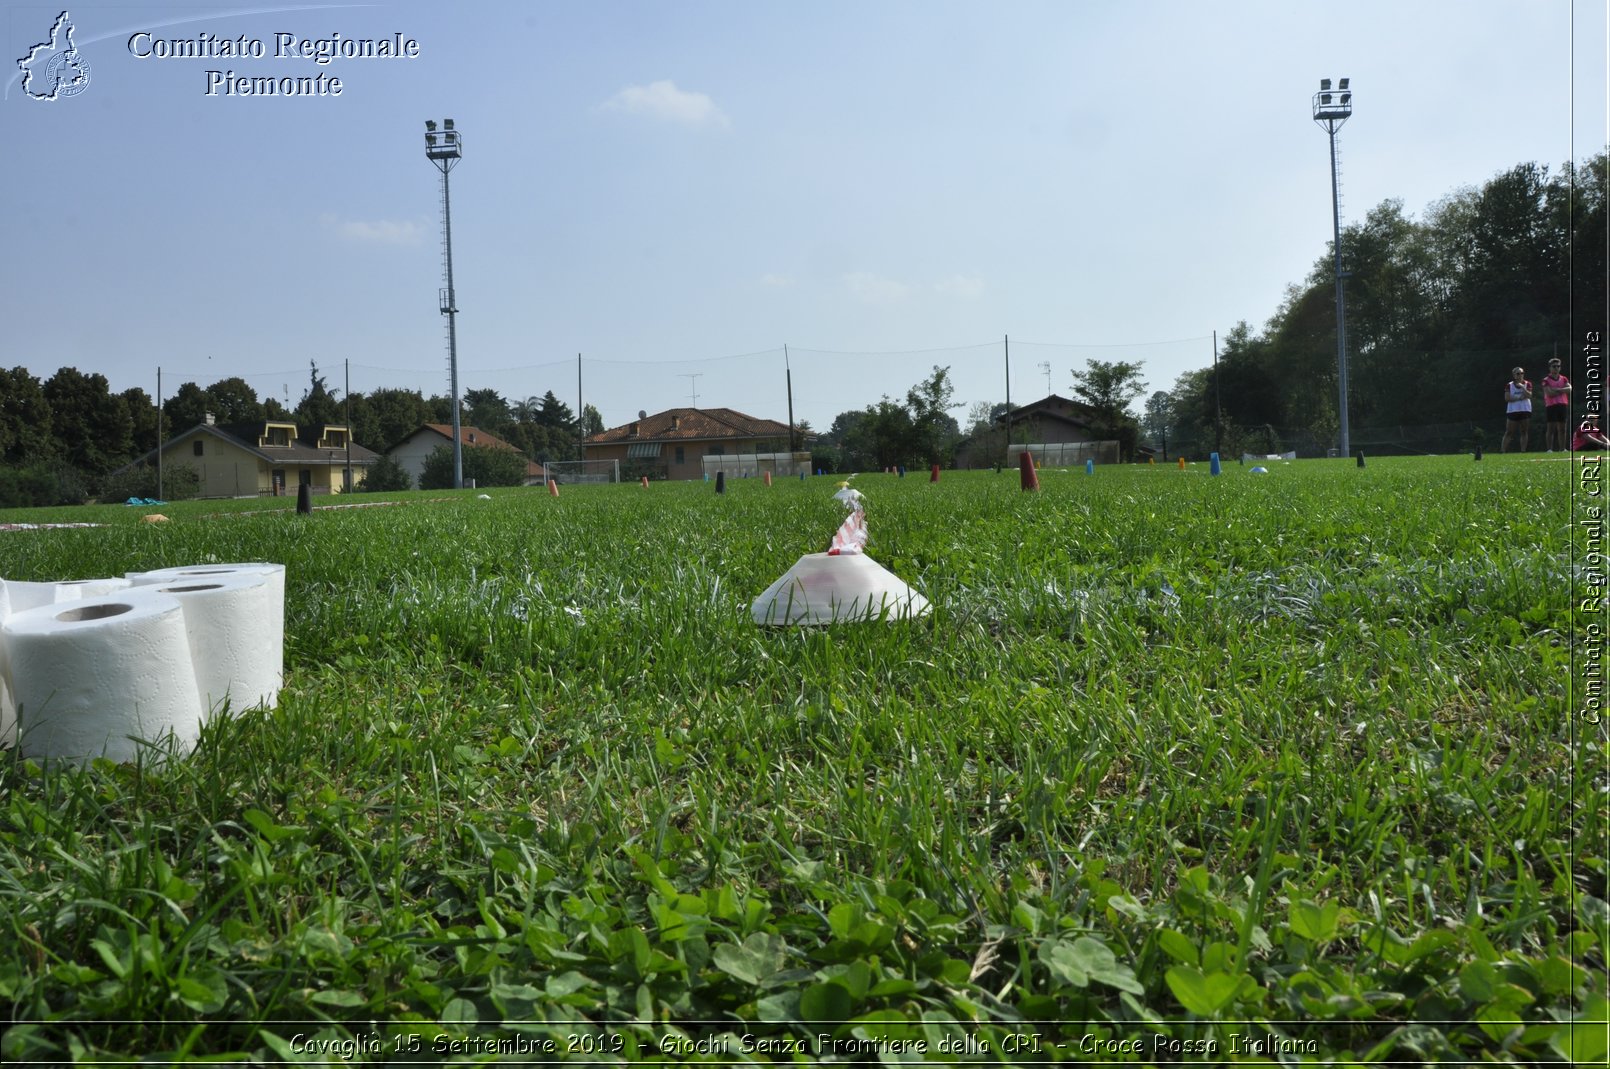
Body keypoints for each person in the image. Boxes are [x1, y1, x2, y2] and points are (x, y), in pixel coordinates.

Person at [1541, 357, 1572, 451]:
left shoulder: (1564, 379)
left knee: (1562, 429)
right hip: (1551, 406)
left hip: (1562, 404)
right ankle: (1549, 449)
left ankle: (1562, 449)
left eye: (1558, 366)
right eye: (1554, 366)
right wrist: (1563, 390)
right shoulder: (1546, 380)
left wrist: (1558, 390)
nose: (1556, 368)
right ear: (1550, 368)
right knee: (1551, 428)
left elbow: (1569, 389)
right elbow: (1549, 393)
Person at [1502, 366, 1533, 453]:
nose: (1520, 375)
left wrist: (1523, 387)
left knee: (1524, 431)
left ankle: (1523, 450)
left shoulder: (1528, 384)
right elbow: (1507, 398)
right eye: (1518, 373)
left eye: (1522, 373)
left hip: (1525, 409)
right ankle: (1503, 451)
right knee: (1509, 432)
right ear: (1514, 375)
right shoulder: (1509, 385)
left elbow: (1529, 395)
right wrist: (1519, 397)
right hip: (1513, 410)